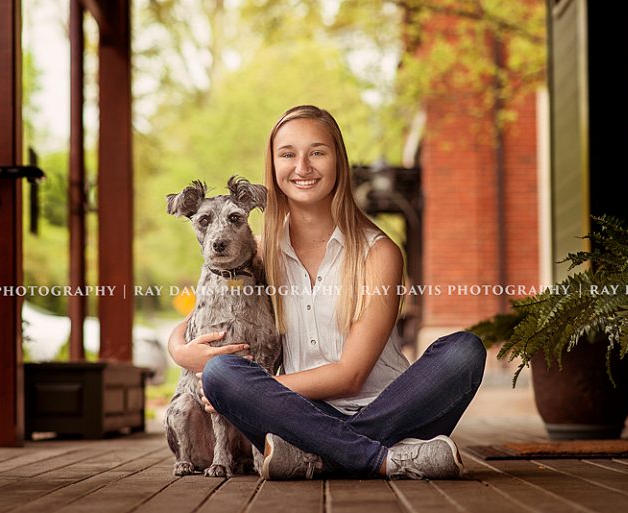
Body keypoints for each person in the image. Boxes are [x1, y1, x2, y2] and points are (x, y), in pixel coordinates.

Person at [167, 105, 486, 480]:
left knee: (464, 351)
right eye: (288, 154)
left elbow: (349, 376)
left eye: (317, 152)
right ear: (274, 166)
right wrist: (181, 351)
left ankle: (325, 456)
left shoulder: (378, 252)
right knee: (221, 373)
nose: (302, 167)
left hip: (393, 408)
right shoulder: (260, 250)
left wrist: (263, 393)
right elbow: (207, 313)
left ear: (339, 162)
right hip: (299, 414)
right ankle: (386, 457)